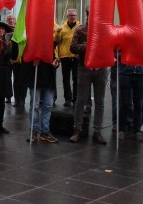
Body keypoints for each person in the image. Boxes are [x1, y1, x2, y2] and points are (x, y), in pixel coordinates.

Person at [68, 7, 108, 144]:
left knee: (100, 101)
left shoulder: (104, 30)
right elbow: (72, 47)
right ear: (87, 15)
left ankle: (97, 131)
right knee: (80, 100)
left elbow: (110, 46)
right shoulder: (80, 29)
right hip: (84, 68)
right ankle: (77, 130)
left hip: (101, 69)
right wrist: (88, 46)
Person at [24, 57, 60, 144]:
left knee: (47, 105)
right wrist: (32, 63)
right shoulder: (33, 44)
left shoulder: (51, 44)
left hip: (49, 77)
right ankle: (34, 130)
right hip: (35, 77)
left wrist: (56, 63)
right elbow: (26, 59)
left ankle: (44, 131)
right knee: (35, 106)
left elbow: (56, 58)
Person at [55, 9, 80, 107]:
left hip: (76, 56)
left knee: (76, 79)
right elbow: (57, 41)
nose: (72, 17)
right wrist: (57, 33)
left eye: (74, 15)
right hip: (65, 56)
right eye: (71, 15)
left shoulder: (79, 27)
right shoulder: (62, 28)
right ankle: (68, 99)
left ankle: (76, 99)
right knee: (66, 79)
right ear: (67, 17)